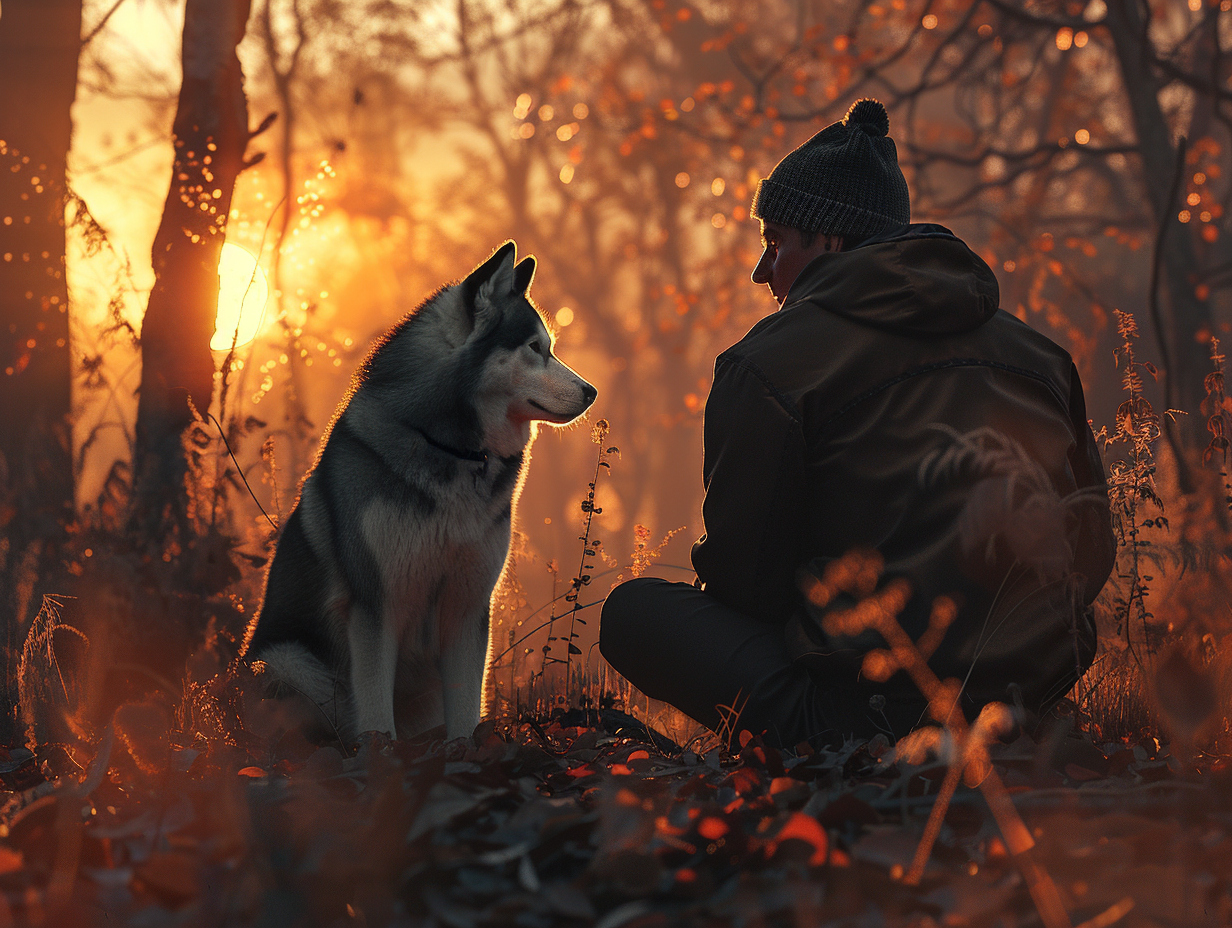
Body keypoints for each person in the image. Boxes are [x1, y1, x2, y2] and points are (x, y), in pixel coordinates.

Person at [598, 99, 1114, 749]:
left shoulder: (767, 366)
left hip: (855, 718)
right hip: (1017, 701)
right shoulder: (1042, 358)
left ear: (831, 241)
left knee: (632, 614)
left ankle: (836, 749)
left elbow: (744, 586)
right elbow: (1090, 545)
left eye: (776, 242)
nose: (763, 270)